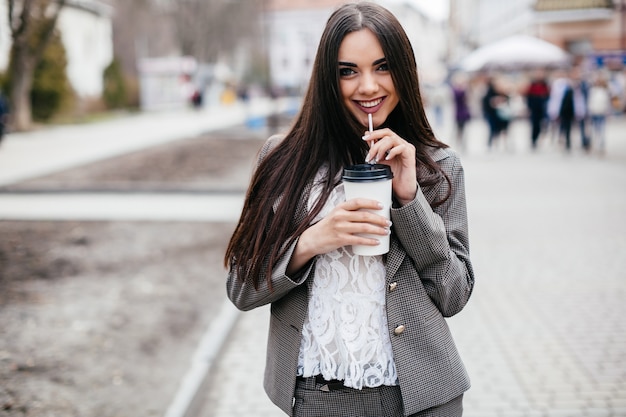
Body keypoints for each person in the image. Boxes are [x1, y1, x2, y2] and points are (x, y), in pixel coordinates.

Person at [224, 3, 475, 417]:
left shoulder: (438, 166)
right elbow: (241, 288)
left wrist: (409, 201)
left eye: (383, 67)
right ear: (327, 78)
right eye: (348, 71)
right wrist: (310, 242)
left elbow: (454, 294)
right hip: (318, 398)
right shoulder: (281, 160)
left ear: (404, 73)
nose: (368, 86)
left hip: (423, 398)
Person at [481, 77, 510, 149]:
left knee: (503, 130)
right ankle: (491, 144)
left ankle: (503, 144)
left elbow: (508, 102)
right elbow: (486, 103)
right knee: (493, 129)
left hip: (503, 115)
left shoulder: (505, 93)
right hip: (492, 114)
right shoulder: (489, 93)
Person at [525, 70, 550, 149]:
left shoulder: (545, 84)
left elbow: (548, 95)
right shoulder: (532, 84)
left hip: (543, 108)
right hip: (534, 109)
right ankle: (533, 140)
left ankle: (540, 139)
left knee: (543, 125)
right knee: (535, 125)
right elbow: (528, 97)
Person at [587, 74, 612, 153]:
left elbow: (608, 103)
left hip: (602, 113)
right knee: (593, 130)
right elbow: (590, 101)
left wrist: (607, 112)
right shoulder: (592, 90)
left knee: (601, 130)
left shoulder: (605, 90)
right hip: (594, 112)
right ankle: (594, 145)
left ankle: (601, 146)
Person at [451, 72, 471, 151]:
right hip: (459, 113)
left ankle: (463, 144)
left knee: (463, 130)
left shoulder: (462, 90)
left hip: (463, 113)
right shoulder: (457, 91)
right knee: (459, 130)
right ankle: (459, 144)